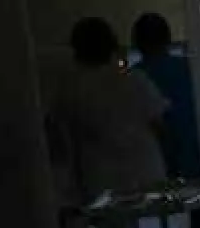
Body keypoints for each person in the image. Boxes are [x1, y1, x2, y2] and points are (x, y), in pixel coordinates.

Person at [49, 17, 168, 206]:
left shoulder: (71, 89)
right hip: (146, 175)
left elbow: (63, 140)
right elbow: (160, 126)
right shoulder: (134, 80)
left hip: (101, 182)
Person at [130, 13, 200, 182]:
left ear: (136, 42)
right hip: (195, 164)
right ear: (168, 38)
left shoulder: (131, 78)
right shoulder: (191, 69)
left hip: (154, 170)